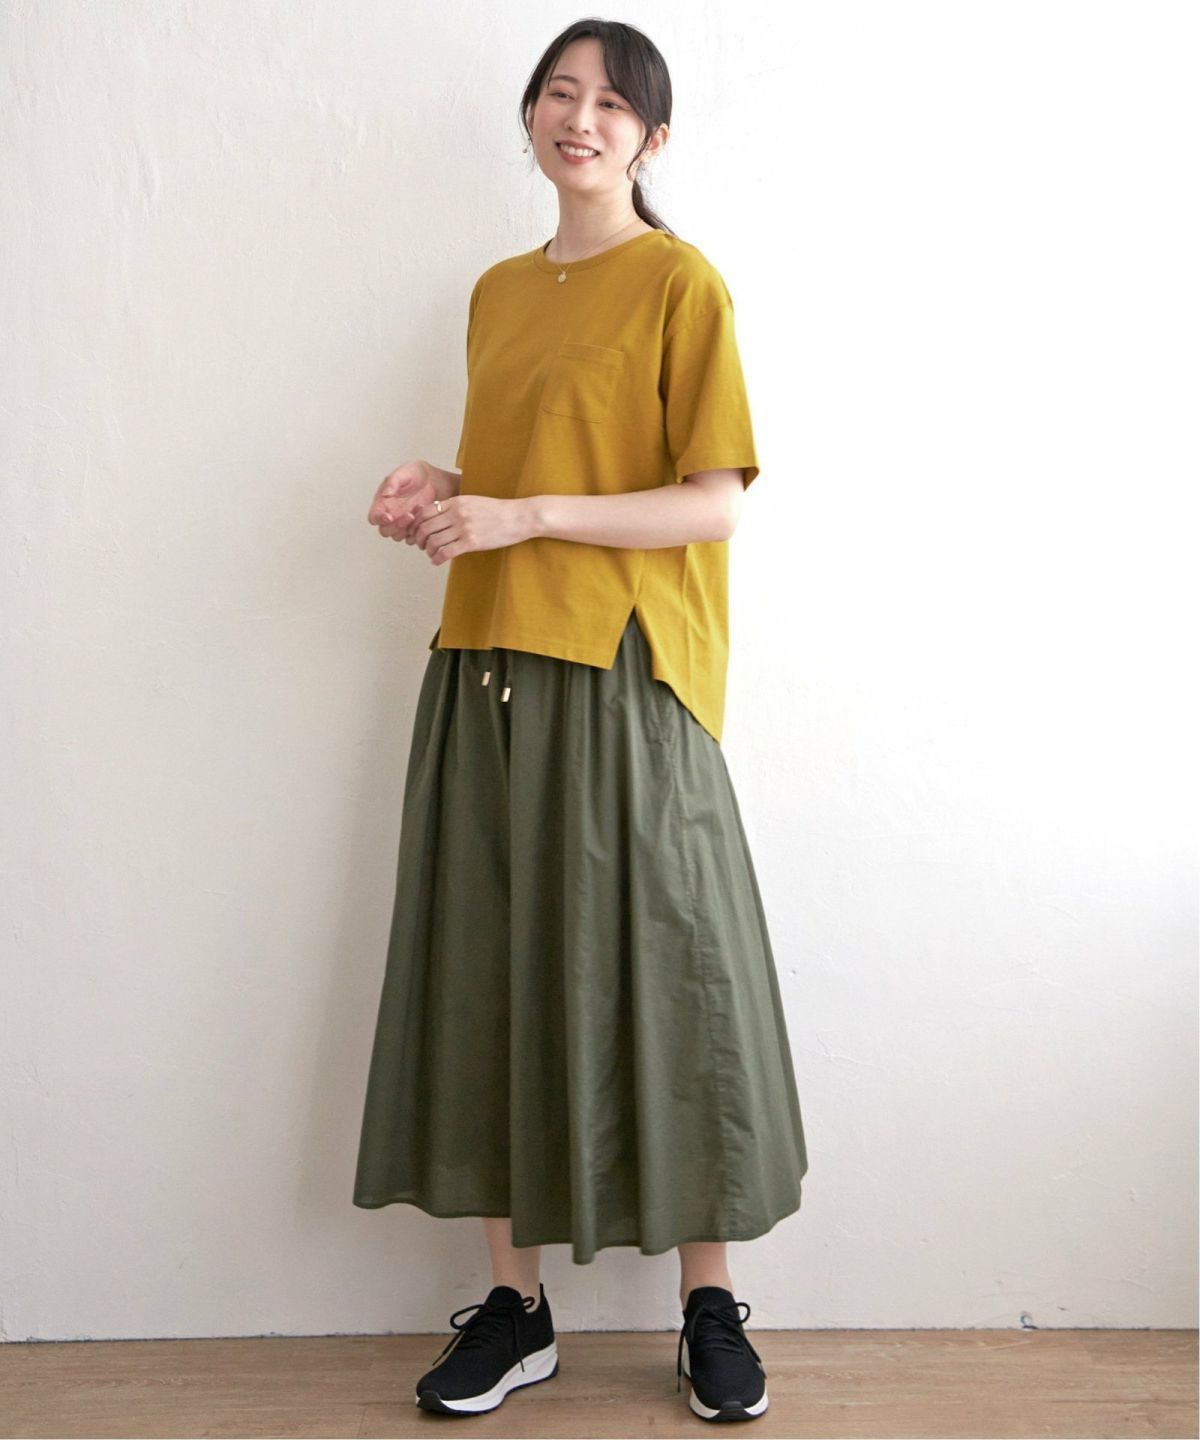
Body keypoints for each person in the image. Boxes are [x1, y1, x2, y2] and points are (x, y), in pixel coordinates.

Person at [352, 18, 808, 1424]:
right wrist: (447, 485)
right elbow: (530, 463)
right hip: (486, 659)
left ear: (652, 138)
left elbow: (712, 502)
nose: (582, 119)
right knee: (490, 969)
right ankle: (518, 1307)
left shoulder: (680, 282)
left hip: (625, 673)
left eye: (614, 104)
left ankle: (709, 1305)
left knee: (675, 967)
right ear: (532, 116)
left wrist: (526, 512)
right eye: (561, 93)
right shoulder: (497, 291)